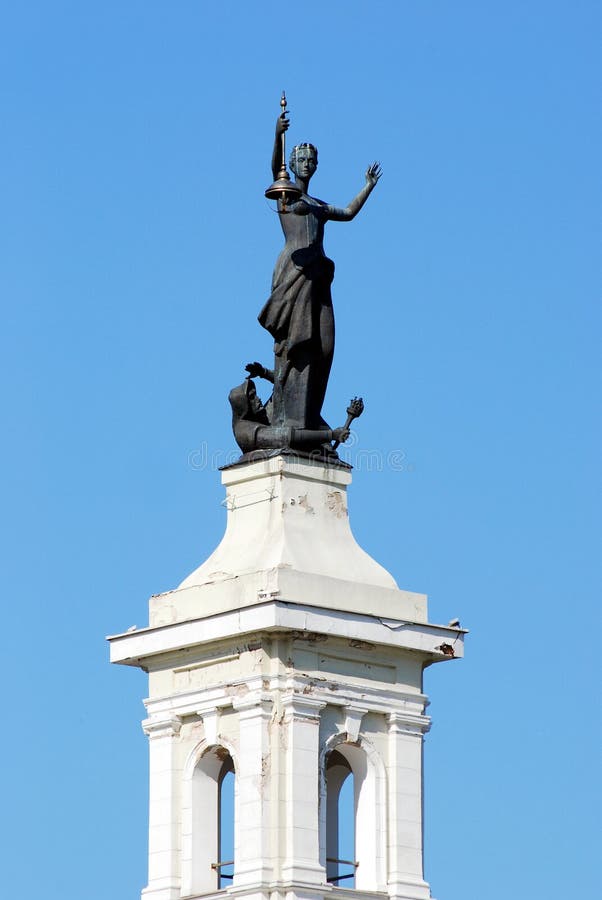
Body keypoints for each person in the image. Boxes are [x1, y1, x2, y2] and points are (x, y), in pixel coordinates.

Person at [258, 111, 381, 437]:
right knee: (296, 344)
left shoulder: (319, 205)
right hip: (295, 272)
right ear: (294, 164)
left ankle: (311, 413)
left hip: (319, 276)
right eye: (301, 159)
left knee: (325, 347)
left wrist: (367, 186)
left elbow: (350, 213)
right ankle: (289, 413)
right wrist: (277, 133)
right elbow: (275, 167)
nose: (307, 164)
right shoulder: (285, 194)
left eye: (312, 160)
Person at [229, 378, 350, 456]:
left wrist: (265, 373)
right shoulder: (245, 431)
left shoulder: (260, 416)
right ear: (243, 406)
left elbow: (283, 391)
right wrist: (331, 435)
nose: (258, 399)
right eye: (252, 397)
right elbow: (287, 436)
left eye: (255, 395)